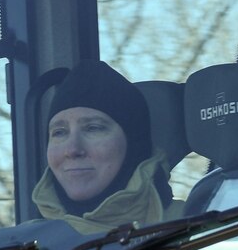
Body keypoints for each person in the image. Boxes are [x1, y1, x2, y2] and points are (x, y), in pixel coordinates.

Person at [31, 60, 173, 233]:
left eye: (93, 128)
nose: (72, 150)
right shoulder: (23, 249)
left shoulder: (196, 234)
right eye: (59, 132)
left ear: (135, 145)